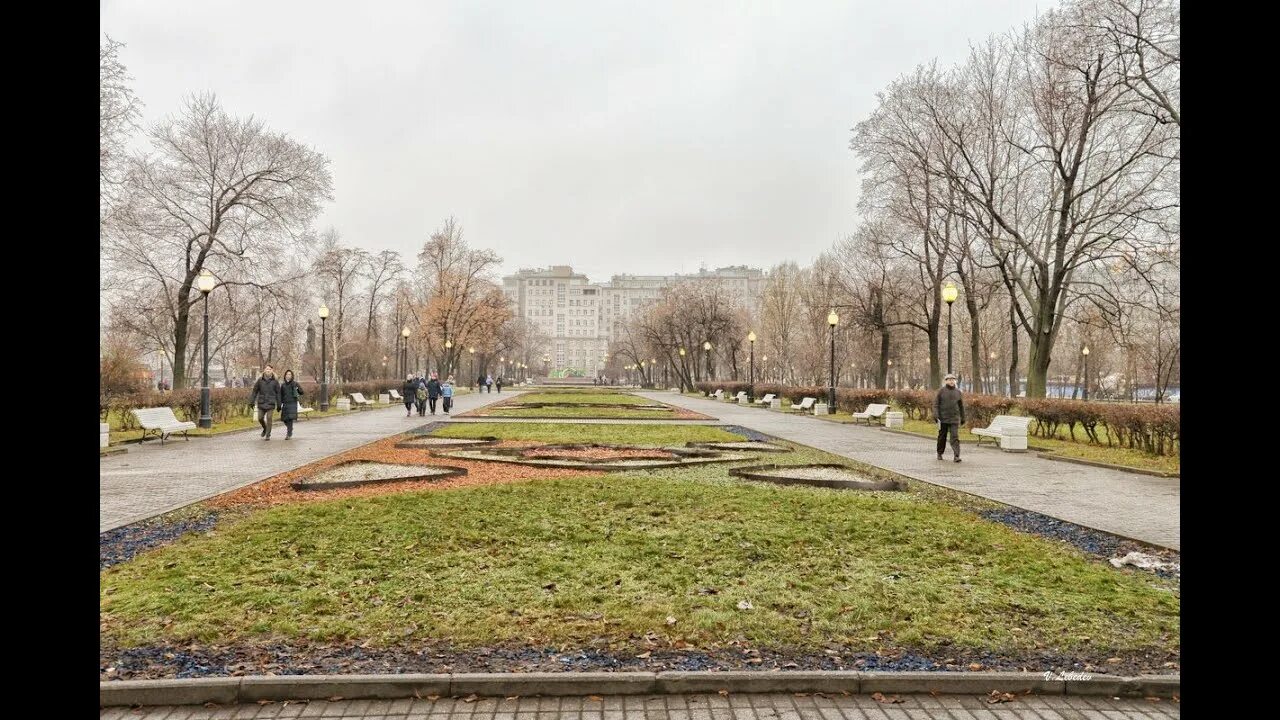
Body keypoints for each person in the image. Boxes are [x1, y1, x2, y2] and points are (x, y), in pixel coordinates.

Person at [934, 372, 965, 462]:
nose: (952, 381)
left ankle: (956, 456)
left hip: (954, 419)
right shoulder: (941, 391)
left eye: (953, 380)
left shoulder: (958, 392)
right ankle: (939, 453)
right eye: (950, 380)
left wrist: (963, 418)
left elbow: (961, 406)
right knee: (942, 437)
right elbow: (936, 404)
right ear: (946, 381)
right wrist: (936, 415)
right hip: (943, 419)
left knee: (954, 437)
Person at [249, 366, 282, 440]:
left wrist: (279, 404)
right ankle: (265, 428)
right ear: (264, 370)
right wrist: (252, 401)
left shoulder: (275, 381)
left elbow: (278, 393)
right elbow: (255, 391)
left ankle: (268, 435)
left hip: (271, 403)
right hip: (261, 402)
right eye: (267, 369)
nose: (268, 370)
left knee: (269, 418)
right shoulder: (260, 380)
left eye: (270, 369)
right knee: (260, 418)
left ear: (272, 371)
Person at [279, 369, 304, 439]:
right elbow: (281, 395)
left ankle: (288, 434)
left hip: (292, 403)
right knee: (284, 419)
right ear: (285, 376)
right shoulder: (283, 385)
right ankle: (290, 429)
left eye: (290, 374)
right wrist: (280, 403)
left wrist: (297, 389)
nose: (288, 376)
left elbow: (302, 392)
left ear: (292, 375)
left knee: (290, 418)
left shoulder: (295, 383)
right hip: (285, 403)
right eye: (287, 374)